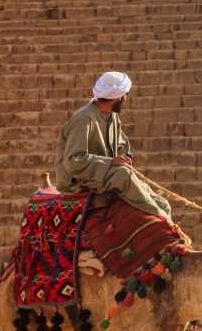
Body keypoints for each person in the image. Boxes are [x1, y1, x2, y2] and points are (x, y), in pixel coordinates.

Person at [54, 71, 173, 220]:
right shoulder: (84, 119)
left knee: (163, 203)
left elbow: (121, 145)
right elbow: (73, 161)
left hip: (106, 173)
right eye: (125, 95)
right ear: (118, 98)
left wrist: (124, 157)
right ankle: (160, 218)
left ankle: (160, 209)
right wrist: (111, 162)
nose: (126, 98)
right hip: (78, 179)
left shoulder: (112, 116)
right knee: (123, 175)